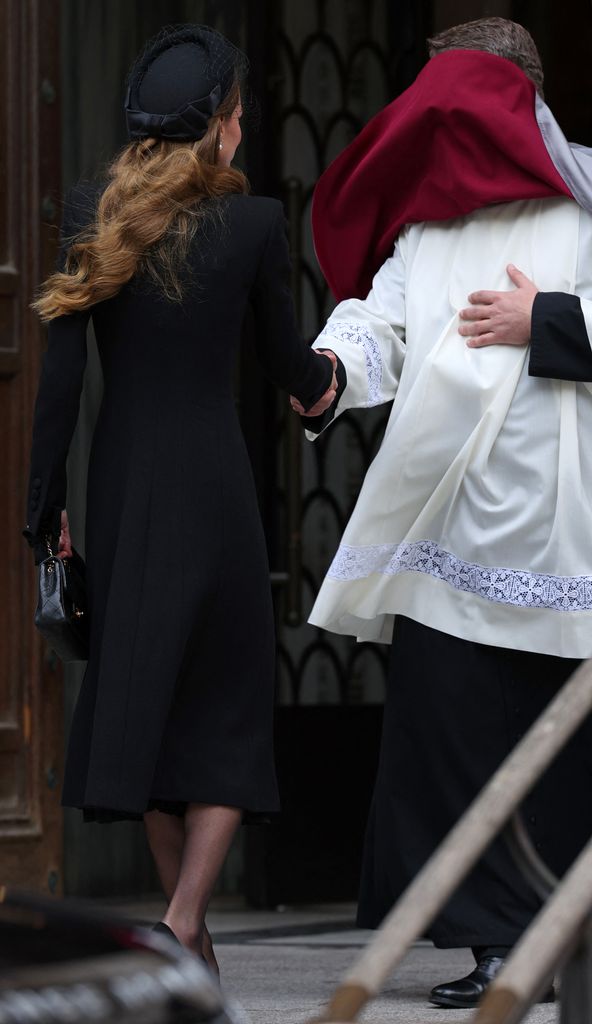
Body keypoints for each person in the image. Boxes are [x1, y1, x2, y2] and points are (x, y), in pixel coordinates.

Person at [293, 17, 592, 1009]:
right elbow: (380, 319)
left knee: (555, 750)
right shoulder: (427, 222)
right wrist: (333, 368)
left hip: (560, 523)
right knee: (449, 739)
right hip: (447, 522)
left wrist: (541, 317)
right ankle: (493, 947)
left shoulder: (589, 189)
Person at [24, 24, 337, 971]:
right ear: (220, 130)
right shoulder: (252, 225)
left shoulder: (94, 209)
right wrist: (322, 383)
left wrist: (45, 511)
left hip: (123, 488)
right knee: (228, 709)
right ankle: (180, 926)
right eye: (239, 117)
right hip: (214, 488)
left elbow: (61, 384)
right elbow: (287, 360)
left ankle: (182, 935)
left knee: (152, 701)